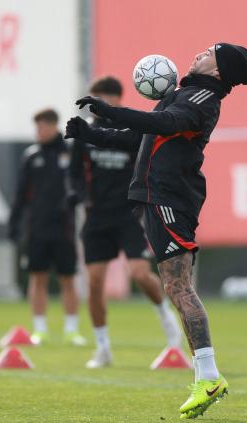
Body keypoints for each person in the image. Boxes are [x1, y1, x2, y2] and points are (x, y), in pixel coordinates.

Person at [66, 43, 247, 418]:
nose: (201, 52)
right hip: (158, 197)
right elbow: (143, 137)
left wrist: (108, 111)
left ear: (219, 70)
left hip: (170, 199)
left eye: (210, 52)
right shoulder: (187, 93)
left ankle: (208, 376)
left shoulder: (203, 96)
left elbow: (163, 124)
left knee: (178, 285)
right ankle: (206, 374)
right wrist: (94, 134)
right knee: (175, 286)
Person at [70, 76, 181, 368]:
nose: (94, 108)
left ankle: (165, 316)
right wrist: (82, 197)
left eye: (101, 100)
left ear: (116, 100)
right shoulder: (85, 134)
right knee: (94, 284)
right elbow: (74, 176)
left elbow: (149, 164)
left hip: (129, 216)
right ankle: (103, 347)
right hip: (96, 219)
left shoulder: (135, 132)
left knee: (141, 274)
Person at [8, 109, 86, 346]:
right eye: (36, 127)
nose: (38, 132)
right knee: (37, 278)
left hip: (64, 229)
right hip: (37, 229)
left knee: (67, 279)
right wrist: (14, 223)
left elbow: (81, 184)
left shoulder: (70, 153)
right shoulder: (31, 156)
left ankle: (72, 330)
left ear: (53, 126)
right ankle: (39, 330)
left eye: (41, 127)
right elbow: (21, 194)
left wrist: (77, 198)